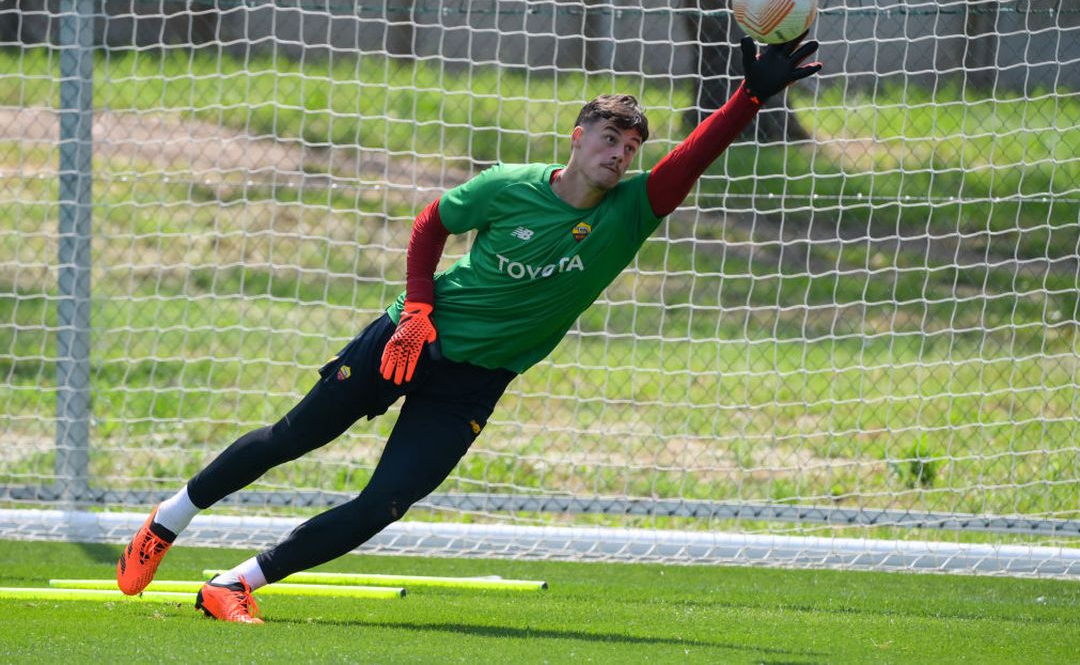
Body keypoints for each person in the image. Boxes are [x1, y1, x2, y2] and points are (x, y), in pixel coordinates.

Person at [116, 35, 822, 623]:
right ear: (578, 138)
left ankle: (235, 584)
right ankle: (166, 521)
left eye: (631, 147)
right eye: (610, 138)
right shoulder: (507, 186)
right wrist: (416, 311)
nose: (620, 154)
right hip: (411, 340)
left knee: (385, 503)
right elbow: (431, 224)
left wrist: (749, 97)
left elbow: (693, 156)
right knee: (293, 438)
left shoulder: (633, 209)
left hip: (473, 386)